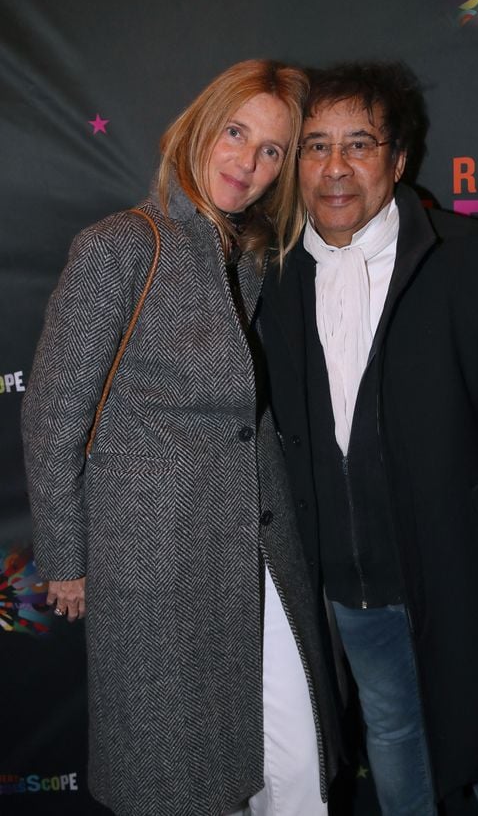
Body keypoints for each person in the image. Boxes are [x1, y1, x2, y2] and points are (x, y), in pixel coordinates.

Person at [259, 61, 478, 815]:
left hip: (470, 581)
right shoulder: (271, 278)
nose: (334, 168)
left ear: (398, 161)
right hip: (350, 590)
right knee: (395, 738)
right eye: (314, 146)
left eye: (359, 144)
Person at [22, 59, 339, 816]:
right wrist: (65, 555)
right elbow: (53, 412)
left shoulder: (254, 256)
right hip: (160, 559)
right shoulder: (120, 247)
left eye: (271, 151)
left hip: (260, 546)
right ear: (200, 127)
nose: (248, 163)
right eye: (236, 133)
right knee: (181, 771)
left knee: (295, 756)